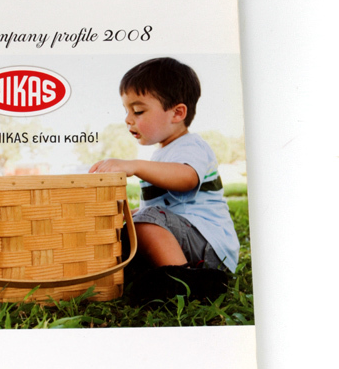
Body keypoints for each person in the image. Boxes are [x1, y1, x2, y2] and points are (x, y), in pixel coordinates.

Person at [89, 57, 239, 276]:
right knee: (131, 228)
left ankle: (184, 279)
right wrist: (127, 216)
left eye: (138, 111)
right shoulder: (162, 154)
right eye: (126, 111)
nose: (128, 119)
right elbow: (163, 208)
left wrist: (135, 166)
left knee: (145, 221)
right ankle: (162, 275)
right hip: (185, 240)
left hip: (209, 246)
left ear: (177, 113)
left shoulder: (191, 145)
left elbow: (187, 178)